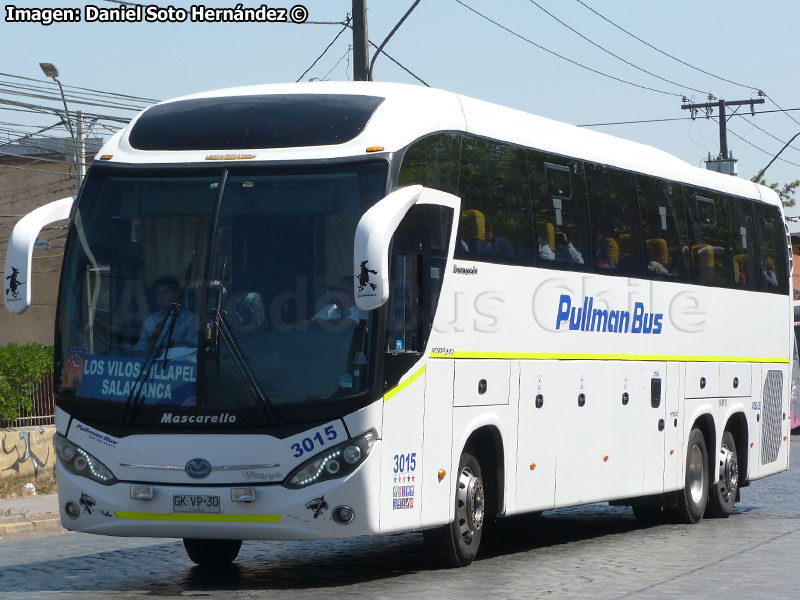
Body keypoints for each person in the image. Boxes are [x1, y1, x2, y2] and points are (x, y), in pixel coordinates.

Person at [134, 276, 199, 354]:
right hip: (151, 364)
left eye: (164, 293)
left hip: (177, 364)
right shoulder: (150, 320)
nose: (160, 298)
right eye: (157, 294)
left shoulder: (191, 320)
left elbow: (191, 350)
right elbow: (141, 348)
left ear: (176, 294)